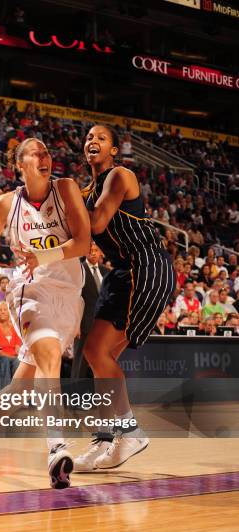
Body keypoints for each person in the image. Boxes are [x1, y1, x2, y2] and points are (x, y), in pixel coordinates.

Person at [0, 137, 90, 489]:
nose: (45, 156)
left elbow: (82, 243)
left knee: (21, 390)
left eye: (47, 151)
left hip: (69, 294)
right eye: (36, 152)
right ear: (19, 164)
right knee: (50, 359)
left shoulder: (65, 189)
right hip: (29, 291)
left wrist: (45, 256)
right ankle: (56, 447)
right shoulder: (7, 204)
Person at [74, 124, 175, 472]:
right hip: (122, 271)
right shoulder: (87, 191)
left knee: (96, 352)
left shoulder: (119, 175)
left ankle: (130, 431)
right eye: (89, 137)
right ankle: (104, 438)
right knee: (99, 360)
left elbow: (97, 223)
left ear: (114, 150)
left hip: (146, 265)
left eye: (101, 138)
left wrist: (62, 201)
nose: (93, 141)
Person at [71, 242, 108, 379]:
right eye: (90, 250)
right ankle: (75, 396)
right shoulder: (79, 271)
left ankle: (96, 396)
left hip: (103, 327)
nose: (93, 253)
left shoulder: (106, 272)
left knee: (99, 362)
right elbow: (75, 299)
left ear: (100, 253)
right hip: (84, 325)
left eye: (96, 250)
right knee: (80, 362)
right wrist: (76, 325)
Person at [0, 301, 21, 384]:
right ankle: (6, 393)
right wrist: (13, 357)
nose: (2, 312)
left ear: (9, 312)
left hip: (15, 357)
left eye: (5, 309)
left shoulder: (15, 328)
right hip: (0, 358)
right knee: (6, 360)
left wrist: (17, 355)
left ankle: (20, 391)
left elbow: (18, 348)